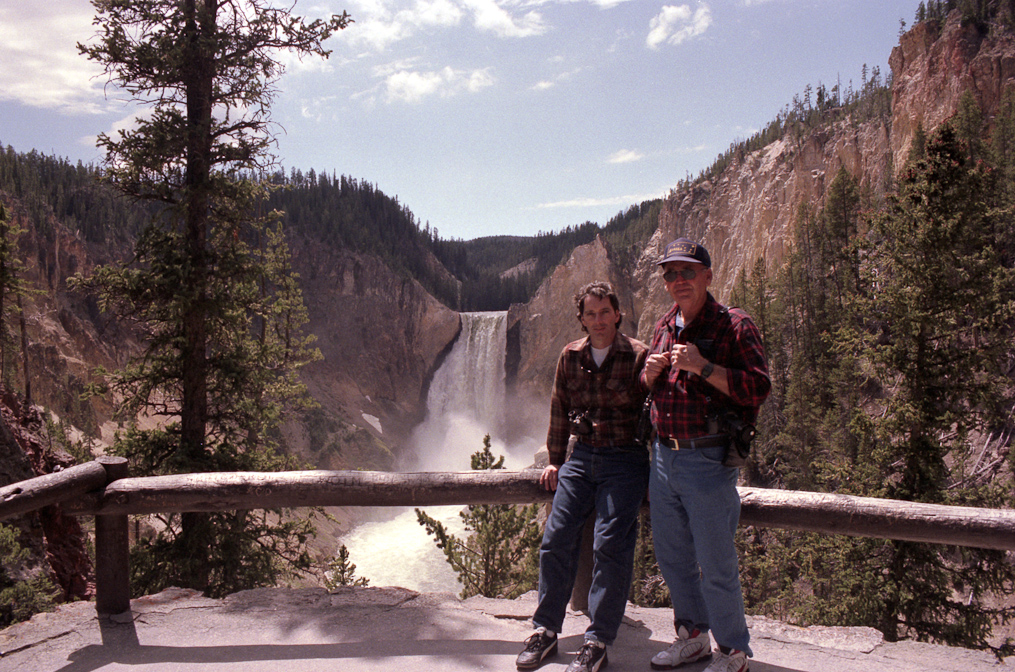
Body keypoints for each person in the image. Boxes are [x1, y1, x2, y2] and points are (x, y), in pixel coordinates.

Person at [642, 238, 771, 672]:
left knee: (716, 562)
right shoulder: (664, 325)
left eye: (687, 272)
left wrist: (703, 367)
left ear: (707, 276)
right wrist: (649, 375)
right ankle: (692, 637)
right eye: (671, 274)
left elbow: (758, 387)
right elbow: (654, 389)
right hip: (663, 459)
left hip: (708, 461)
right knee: (673, 556)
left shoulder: (734, 325)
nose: (679, 280)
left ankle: (733, 651)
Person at [515, 281, 650, 672]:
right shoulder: (570, 356)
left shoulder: (639, 355)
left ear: (617, 314)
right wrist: (556, 459)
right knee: (556, 537)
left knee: (610, 544)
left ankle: (597, 639)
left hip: (626, 459)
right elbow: (559, 407)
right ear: (582, 319)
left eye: (604, 312)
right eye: (591, 314)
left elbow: (655, 413)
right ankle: (545, 631)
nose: (598, 320)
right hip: (582, 456)